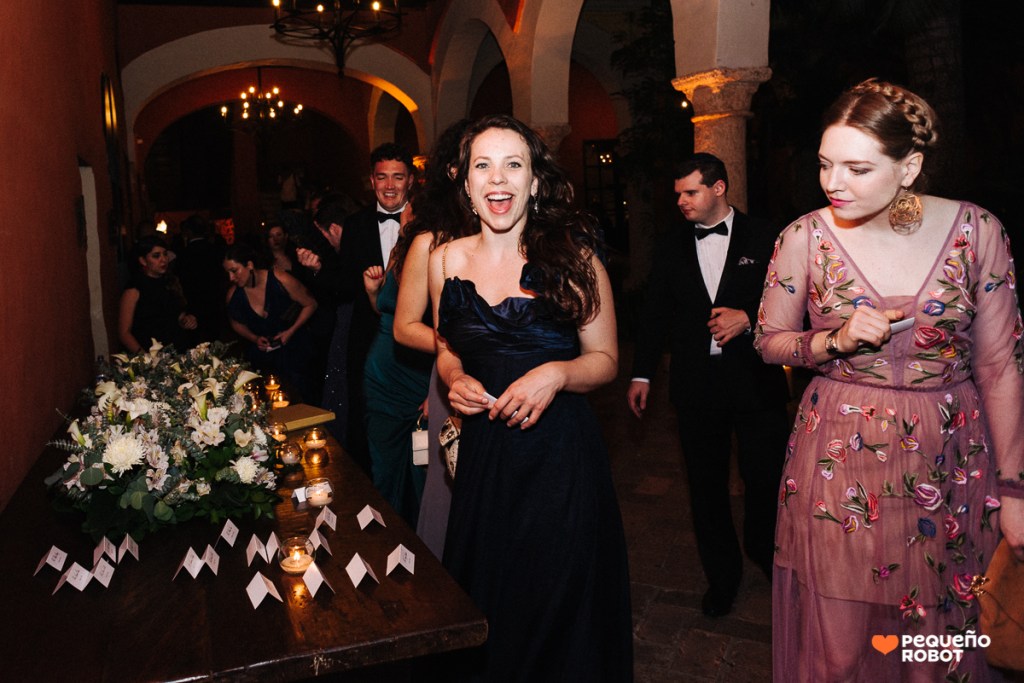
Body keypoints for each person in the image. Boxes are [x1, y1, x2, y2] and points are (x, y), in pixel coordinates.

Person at [755, 78, 1024, 681]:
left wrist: (1015, 490)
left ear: (910, 168)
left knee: (936, 646)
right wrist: (834, 341)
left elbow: (1000, 365)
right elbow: (769, 340)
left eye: (857, 168)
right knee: (841, 649)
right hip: (840, 460)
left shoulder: (977, 231)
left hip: (951, 458)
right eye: (825, 163)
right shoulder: (803, 237)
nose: (834, 183)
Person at [429, 115, 632, 681]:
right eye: (483, 165)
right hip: (485, 459)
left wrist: (558, 374)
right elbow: (446, 346)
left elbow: (605, 359)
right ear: (466, 182)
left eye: (513, 164)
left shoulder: (576, 260)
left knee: (559, 605)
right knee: (491, 602)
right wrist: (453, 376)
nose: (498, 178)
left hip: (560, 460)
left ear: (535, 181)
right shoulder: (444, 260)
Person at [627, 152, 790, 617]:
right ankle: (723, 577)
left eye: (690, 192)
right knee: (705, 488)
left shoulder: (766, 235)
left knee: (767, 480)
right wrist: (641, 373)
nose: (681, 200)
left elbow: (792, 297)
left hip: (755, 382)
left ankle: (764, 550)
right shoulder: (671, 244)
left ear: (719, 188)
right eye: (677, 193)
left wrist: (749, 318)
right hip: (696, 386)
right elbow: (655, 312)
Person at [297, 144, 416, 474]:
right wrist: (318, 269)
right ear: (372, 180)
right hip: (369, 340)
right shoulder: (356, 224)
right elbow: (345, 284)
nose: (389, 186)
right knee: (369, 423)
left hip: (416, 345)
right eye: (382, 177)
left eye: (397, 177)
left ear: (410, 181)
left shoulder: (427, 224)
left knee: (413, 429)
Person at [391, 118, 475, 558]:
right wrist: (462, 352)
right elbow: (405, 326)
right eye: (478, 161)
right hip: (454, 381)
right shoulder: (430, 240)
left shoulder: (520, 235)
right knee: (455, 496)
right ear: (453, 171)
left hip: (516, 382)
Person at [361, 207, 435, 527]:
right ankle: (387, 535)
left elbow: (450, 333)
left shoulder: (440, 253)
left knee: (424, 470)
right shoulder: (398, 251)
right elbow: (386, 311)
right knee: (384, 466)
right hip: (382, 376)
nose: (405, 216)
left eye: (412, 210)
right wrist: (373, 293)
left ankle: (422, 542)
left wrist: (438, 389)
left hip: (420, 376)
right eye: (405, 212)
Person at [223, 242, 317, 401]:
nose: (231, 278)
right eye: (228, 273)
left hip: (295, 353)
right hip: (263, 360)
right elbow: (235, 323)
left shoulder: (281, 279)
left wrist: (291, 330)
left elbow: (311, 304)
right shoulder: (233, 295)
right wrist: (254, 338)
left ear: (249, 265)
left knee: (301, 399)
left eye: (234, 271)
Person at [118, 234, 197, 353]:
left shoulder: (170, 281)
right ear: (143, 260)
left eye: (165, 254)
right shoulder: (134, 289)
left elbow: (176, 316)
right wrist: (146, 358)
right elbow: (124, 333)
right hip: (150, 354)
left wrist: (187, 320)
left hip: (177, 351)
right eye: (156, 256)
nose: (163, 260)